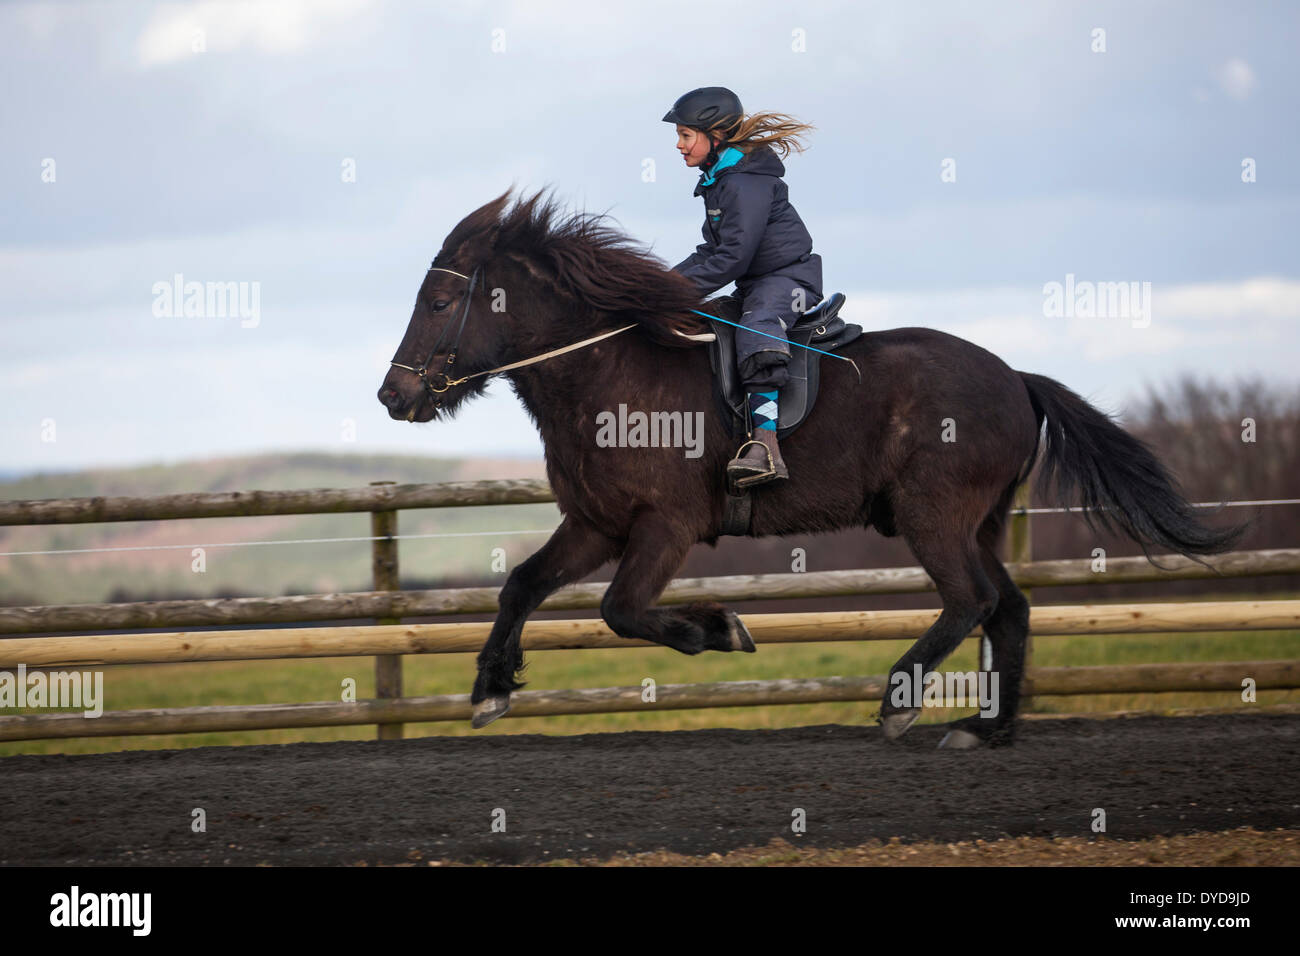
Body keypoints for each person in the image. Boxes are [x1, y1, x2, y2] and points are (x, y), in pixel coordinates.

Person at [663, 86, 823, 488]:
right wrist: (661, 286)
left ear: (714, 136)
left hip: (788, 281)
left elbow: (733, 258)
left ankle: (767, 447)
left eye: (685, 136)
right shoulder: (722, 179)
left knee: (757, 324)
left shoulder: (743, 182)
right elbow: (711, 252)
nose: (678, 146)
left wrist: (675, 292)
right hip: (756, 281)